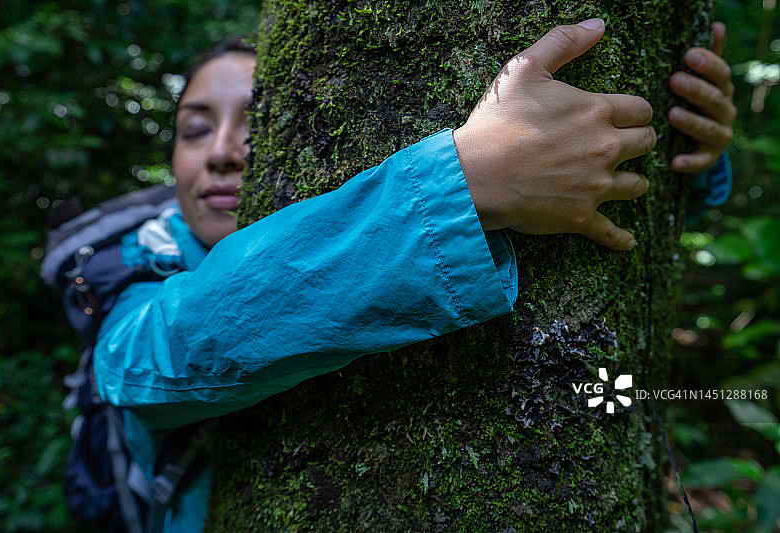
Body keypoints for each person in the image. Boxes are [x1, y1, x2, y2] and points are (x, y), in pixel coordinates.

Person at [88, 19, 734, 531]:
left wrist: (680, 157)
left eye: (259, 122)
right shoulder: (143, 259)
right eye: (195, 129)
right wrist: (463, 186)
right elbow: (143, 362)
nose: (225, 150)